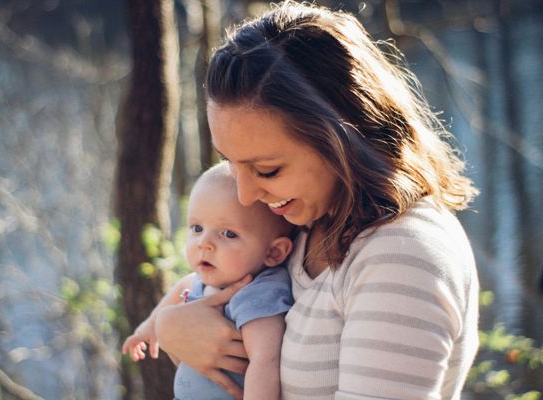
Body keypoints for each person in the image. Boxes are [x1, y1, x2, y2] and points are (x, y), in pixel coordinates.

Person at [153, 1, 481, 399]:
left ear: (343, 139)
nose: (245, 194)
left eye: (268, 170)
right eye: (231, 164)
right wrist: (172, 327)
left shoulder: (401, 255)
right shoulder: (305, 222)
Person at [122, 162, 295, 400]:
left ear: (274, 253)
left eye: (228, 233)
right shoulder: (200, 281)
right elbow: (179, 288)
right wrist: (147, 329)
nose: (204, 242)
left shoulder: (257, 295)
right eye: (197, 227)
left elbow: (265, 362)